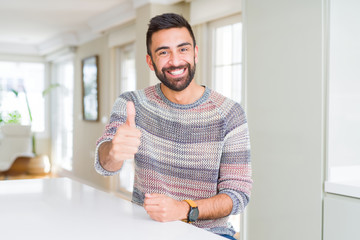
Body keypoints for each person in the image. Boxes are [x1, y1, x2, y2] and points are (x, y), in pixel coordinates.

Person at [95, 13, 252, 240]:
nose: (175, 61)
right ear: (150, 61)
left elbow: (238, 195)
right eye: (163, 52)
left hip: (210, 232)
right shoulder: (132, 104)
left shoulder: (230, 113)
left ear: (195, 53)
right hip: (146, 229)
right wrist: (113, 150)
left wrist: (184, 209)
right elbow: (105, 165)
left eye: (183, 49)